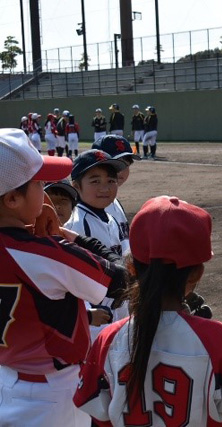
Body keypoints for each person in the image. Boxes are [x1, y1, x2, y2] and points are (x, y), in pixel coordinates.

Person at [73, 195, 222, 425]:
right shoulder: (216, 337)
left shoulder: (109, 338)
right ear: (197, 274)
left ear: (131, 268)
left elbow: (93, 407)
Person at [0, 128, 128, 426]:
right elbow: (121, 281)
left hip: (6, 379)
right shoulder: (44, 252)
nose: (46, 193)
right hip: (53, 395)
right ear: (13, 199)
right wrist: (69, 237)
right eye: (39, 184)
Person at [66, 149, 129, 342]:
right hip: (96, 317)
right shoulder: (76, 223)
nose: (105, 188)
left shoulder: (110, 217)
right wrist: (87, 312)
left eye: (111, 181)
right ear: (76, 186)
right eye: (95, 181)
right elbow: (72, 277)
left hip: (116, 308)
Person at [44, 179, 113, 328]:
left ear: (73, 207)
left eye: (63, 201)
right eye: (50, 200)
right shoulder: (36, 243)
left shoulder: (70, 239)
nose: (57, 206)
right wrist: (87, 316)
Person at [92, 134, 140, 251]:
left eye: (125, 165)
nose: (121, 171)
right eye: (116, 164)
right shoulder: (90, 206)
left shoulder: (115, 202)